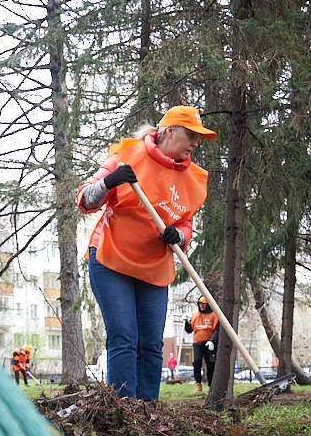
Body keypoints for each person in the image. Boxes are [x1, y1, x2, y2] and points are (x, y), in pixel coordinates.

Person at [76, 106, 216, 400]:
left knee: (151, 343)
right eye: (190, 134)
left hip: (153, 266)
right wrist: (108, 182)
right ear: (168, 132)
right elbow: (86, 200)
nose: (194, 143)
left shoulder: (190, 177)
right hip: (111, 259)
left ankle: (147, 411)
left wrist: (178, 235)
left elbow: (186, 224)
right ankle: (124, 410)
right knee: (125, 337)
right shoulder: (127, 156)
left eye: (198, 138)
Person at [184, 296, 219, 392]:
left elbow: (217, 330)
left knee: (210, 364)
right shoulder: (195, 316)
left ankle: (211, 386)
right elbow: (189, 330)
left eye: (204, 304)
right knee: (196, 362)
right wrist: (186, 322)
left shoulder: (214, 315)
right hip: (197, 343)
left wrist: (212, 341)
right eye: (200, 303)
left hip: (210, 344)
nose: (202, 305)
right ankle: (198, 384)